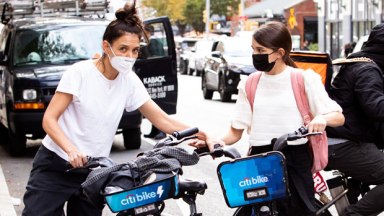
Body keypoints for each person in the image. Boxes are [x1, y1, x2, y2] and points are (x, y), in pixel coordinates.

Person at [21, 2, 208, 216]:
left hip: (94, 171)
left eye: (135, 50)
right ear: (106, 46)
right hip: (57, 164)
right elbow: (49, 119)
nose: (129, 56)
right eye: (123, 49)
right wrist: (71, 150)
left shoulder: (129, 80)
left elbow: (163, 120)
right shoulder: (80, 73)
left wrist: (205, 136)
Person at [191, 21, 344, 216]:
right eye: (253, 49)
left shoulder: (303, 79)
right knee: (255, 211)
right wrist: (216, 141)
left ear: (280, 53)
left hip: (294, 157)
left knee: (299, 211)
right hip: (258, 158)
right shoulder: (249, 83)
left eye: (260, 49)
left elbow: (338, 116)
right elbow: (235, 131)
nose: (255, 55)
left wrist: (322, 119)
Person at [325, 23, 384, 216]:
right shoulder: (367, 70)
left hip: (342, 140)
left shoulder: (358, 62)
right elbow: (376, 107)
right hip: (342, 144)